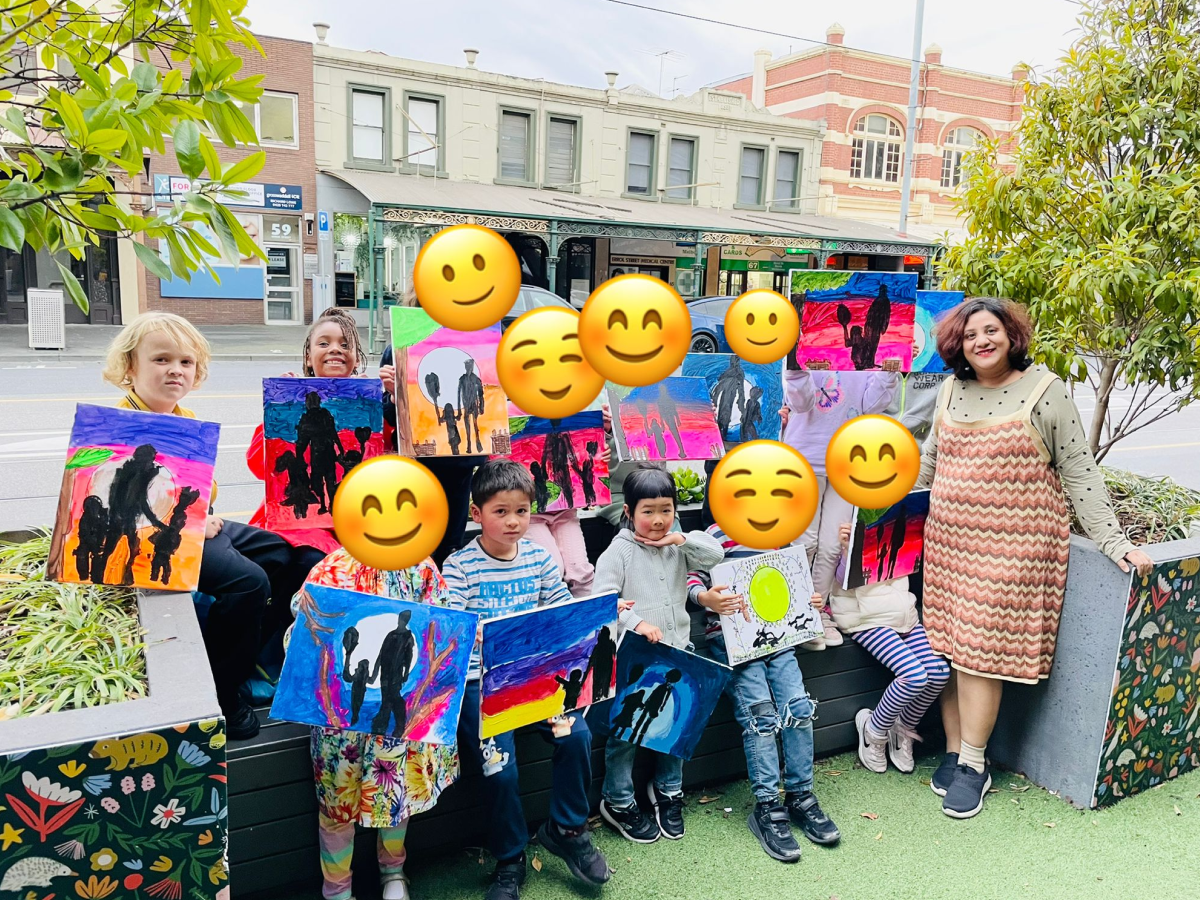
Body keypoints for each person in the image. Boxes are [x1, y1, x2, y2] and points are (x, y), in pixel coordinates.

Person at [916, 297, 1153, 819]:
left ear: (1011, 335)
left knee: (979, 651)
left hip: (1014, 553)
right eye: (971, 334)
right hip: (948, 547)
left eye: (991, 330)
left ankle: (975, 766)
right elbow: (931, 461)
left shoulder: (1045, 391)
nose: (982, 341)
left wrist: (1113, 541)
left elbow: (1078, 470)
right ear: (958, 345)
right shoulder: (951, 389)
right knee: (952, 650)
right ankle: (955, 751)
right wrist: (889, 521)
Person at [103, 312, 301, 740]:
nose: (175, 369)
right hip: (145, 540)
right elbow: (120, 506)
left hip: (191, 527)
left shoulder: (186, 416)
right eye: (161, 360)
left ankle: (240, 658)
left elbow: (200, 491)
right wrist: (193, 520)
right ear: (130, 367)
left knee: (281, 553)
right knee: (249, 582)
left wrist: (200, 515)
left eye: (186, 362)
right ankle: (224, 694)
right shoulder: (116, 425)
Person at [443, 459, 614, 900]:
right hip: (483, 687)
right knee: (499, 772)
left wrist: (595, 613)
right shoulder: (459, 566)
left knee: (576, 735)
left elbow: (560, 609)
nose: (513, 521)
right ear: (476, 514)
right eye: (501, 511)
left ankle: (567, 829)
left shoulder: (539, 557)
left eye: (521, 510)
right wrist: (475, 631)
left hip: (540, 680)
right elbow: (454, 629)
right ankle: (510, 856)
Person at [294, 547, 459, 900]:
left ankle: (393, 870)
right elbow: (304, 624)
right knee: (336, 803)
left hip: (399, 713)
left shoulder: (421, 568)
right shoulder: (332, 568)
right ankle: (336, 888)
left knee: (395, 795)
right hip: (341, 720)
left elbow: (443, 625)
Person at [686, 487, 841, 863]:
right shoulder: (711, 539)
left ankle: (801, 796)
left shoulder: (778, 538)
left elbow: (795, 584)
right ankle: (768, 808)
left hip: (780, 641)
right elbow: (691, 580)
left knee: (799, 708)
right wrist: (706, 598)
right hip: (735, 643)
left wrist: (810, 600)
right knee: (761, 716)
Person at [594, 463, 724, 844]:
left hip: (679, 652)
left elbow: (714, 554)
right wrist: (636, 622)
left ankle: (668, 791)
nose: (658, 520)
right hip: (636, 660)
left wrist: (680, 541)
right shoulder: (618, 552)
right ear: (629, 513)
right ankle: (617, 799)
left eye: (666, 510)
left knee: (677, 726)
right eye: (647, 511)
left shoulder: (677, 545)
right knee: (626, 734)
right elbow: (603, 602)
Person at [246, 308, 368, 640]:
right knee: (303, 561)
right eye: (323, 342)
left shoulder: (370, 406)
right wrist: (275, 415)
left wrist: (394, 401)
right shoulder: (290, 402)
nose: (335, 349)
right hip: (296, 518)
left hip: (354, 518)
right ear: (308, 355)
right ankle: (270, 650)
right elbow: (260, 465)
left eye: (345, 344)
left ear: (357, 358)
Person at [782, 367, 899, 645]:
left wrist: (888, 371)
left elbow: (872, 405)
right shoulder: (809, 339)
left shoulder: (866, 349)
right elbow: (801, 403)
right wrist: (798, 367)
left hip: (849, 459)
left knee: (834, 543)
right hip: (804, 457)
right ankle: (794, 610)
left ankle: (817, 611)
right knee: (804, 541)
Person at [830, 522, 949, 777]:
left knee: (939, 673)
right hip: (866, 619)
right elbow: (842, 579)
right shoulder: (849, 520)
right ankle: (873, 730)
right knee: (914, 676)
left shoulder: (898, 521)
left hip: (902, 613)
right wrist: (847, 549)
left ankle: (903, 728)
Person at [380, 286, 486, 568]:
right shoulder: (399, 347)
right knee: (415, 546)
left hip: (460, 466)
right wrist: (393, 394)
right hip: (418, 468)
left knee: (451, 546)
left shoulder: (479, 344)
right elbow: (389, 417)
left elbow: (489, 399)